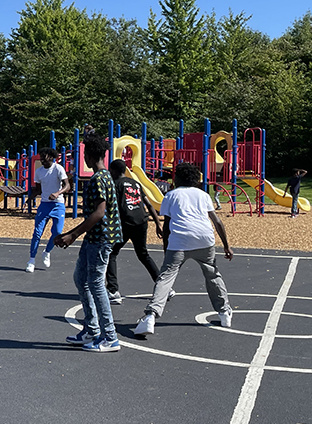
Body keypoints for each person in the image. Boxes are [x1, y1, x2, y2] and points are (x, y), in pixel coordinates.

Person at [133, 162, 234, 336]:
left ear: (176, 178)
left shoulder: (171, 195)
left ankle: (150, 316)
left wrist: (167, 249)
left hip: (180, 241)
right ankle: (224, 313)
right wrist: (226, 245)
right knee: (212, 274)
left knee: (165, 278)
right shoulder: (203, 195)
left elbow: (167, 227)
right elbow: (217, 221)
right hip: (205, 240)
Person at [55, 126, 123, 352]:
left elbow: (100, 212)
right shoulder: (105, 177)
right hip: (96, 236)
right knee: (80, 277)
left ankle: (110, 336)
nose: (83, 157)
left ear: (91, 156)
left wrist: (73, 234)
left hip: (101, 238)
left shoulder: (98, 180)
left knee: (95, 283)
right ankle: (91, 329)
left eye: (85, 154)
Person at [105, 159, 165, 303]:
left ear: (112, 171)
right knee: (143, 254)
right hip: (141, 221)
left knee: (111, 253)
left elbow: (113, 207)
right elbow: (149, 205)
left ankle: (113, 291)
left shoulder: (115, 185)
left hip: (126, 222)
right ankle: (164, 287)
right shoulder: (136, 184)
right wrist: (158, 224)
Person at [25, 147, 69, 273]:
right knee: (37, 233)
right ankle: (31, 260)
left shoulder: (58, 169)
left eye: (43, 158)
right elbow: (38, 189)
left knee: (57, 232)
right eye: (41, 158)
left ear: (51, 157)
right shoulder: (39, 172)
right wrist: (30, 198)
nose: (42, 161)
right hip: (44, 204)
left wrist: (57, 193)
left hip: (58, 205)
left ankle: (47, 251)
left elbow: (67, 185)